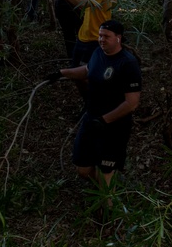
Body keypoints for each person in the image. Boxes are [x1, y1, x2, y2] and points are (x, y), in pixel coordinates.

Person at [46, 19, 142, 193]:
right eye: (100, 35)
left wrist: (105, 120)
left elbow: (132, 103)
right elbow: (87, 71)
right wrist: (62, 73)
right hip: (91, 118)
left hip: (114, 126)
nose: (101, 39)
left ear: (118, 38)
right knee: (82, 168)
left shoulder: (128, 63)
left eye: (106, 36)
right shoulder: (98, 53)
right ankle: (103, 192)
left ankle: (107, 210)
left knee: (106, 170)